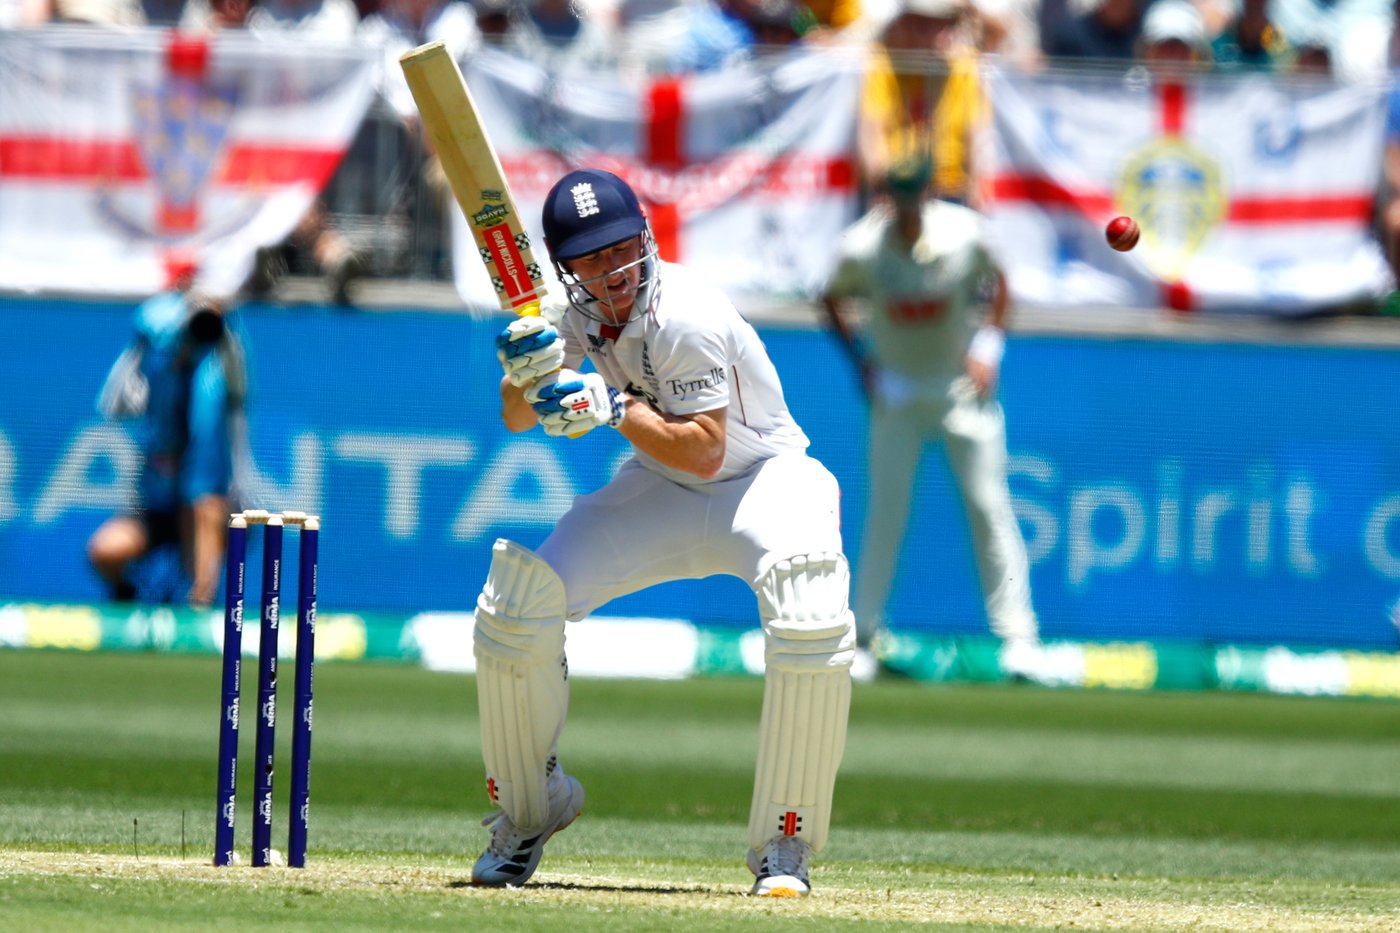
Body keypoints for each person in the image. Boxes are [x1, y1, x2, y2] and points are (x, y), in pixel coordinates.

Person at [475, 168, 854, 897]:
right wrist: (524, 372)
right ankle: (531, 807)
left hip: (764, 479)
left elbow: (707, 448)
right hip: (664, 487)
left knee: (810, 612)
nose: (609, 272)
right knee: (516, 605)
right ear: (565, 267)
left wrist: (610, 408)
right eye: (587, 260)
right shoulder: (573, 309)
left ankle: (785, 841)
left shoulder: (687, 313)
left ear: (644, 239)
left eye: (619, 250)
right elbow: (516, 417)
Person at [820, 158, 1042, 681]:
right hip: (897, 394)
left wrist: (988, 345)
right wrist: (865, 364)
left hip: (958, 392)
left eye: (913, 195)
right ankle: (865, 639)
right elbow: (828, 296)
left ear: (927, 193)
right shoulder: (861, 246)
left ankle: (1019, 639)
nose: (904, 207)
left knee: (989, 507)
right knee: (886, 515)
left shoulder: (965, 234)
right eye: (895, 196)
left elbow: (1001, 281)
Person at [87, 266, 248, 608]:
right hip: (154, 510)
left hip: (203, 509)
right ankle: (124, 594)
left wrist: (217, 314)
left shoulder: (217, 373)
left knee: (204, 506)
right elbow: (112, 404)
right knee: (104, 550)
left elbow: (239, 380)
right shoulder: (153, 370)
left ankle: (199, 608)